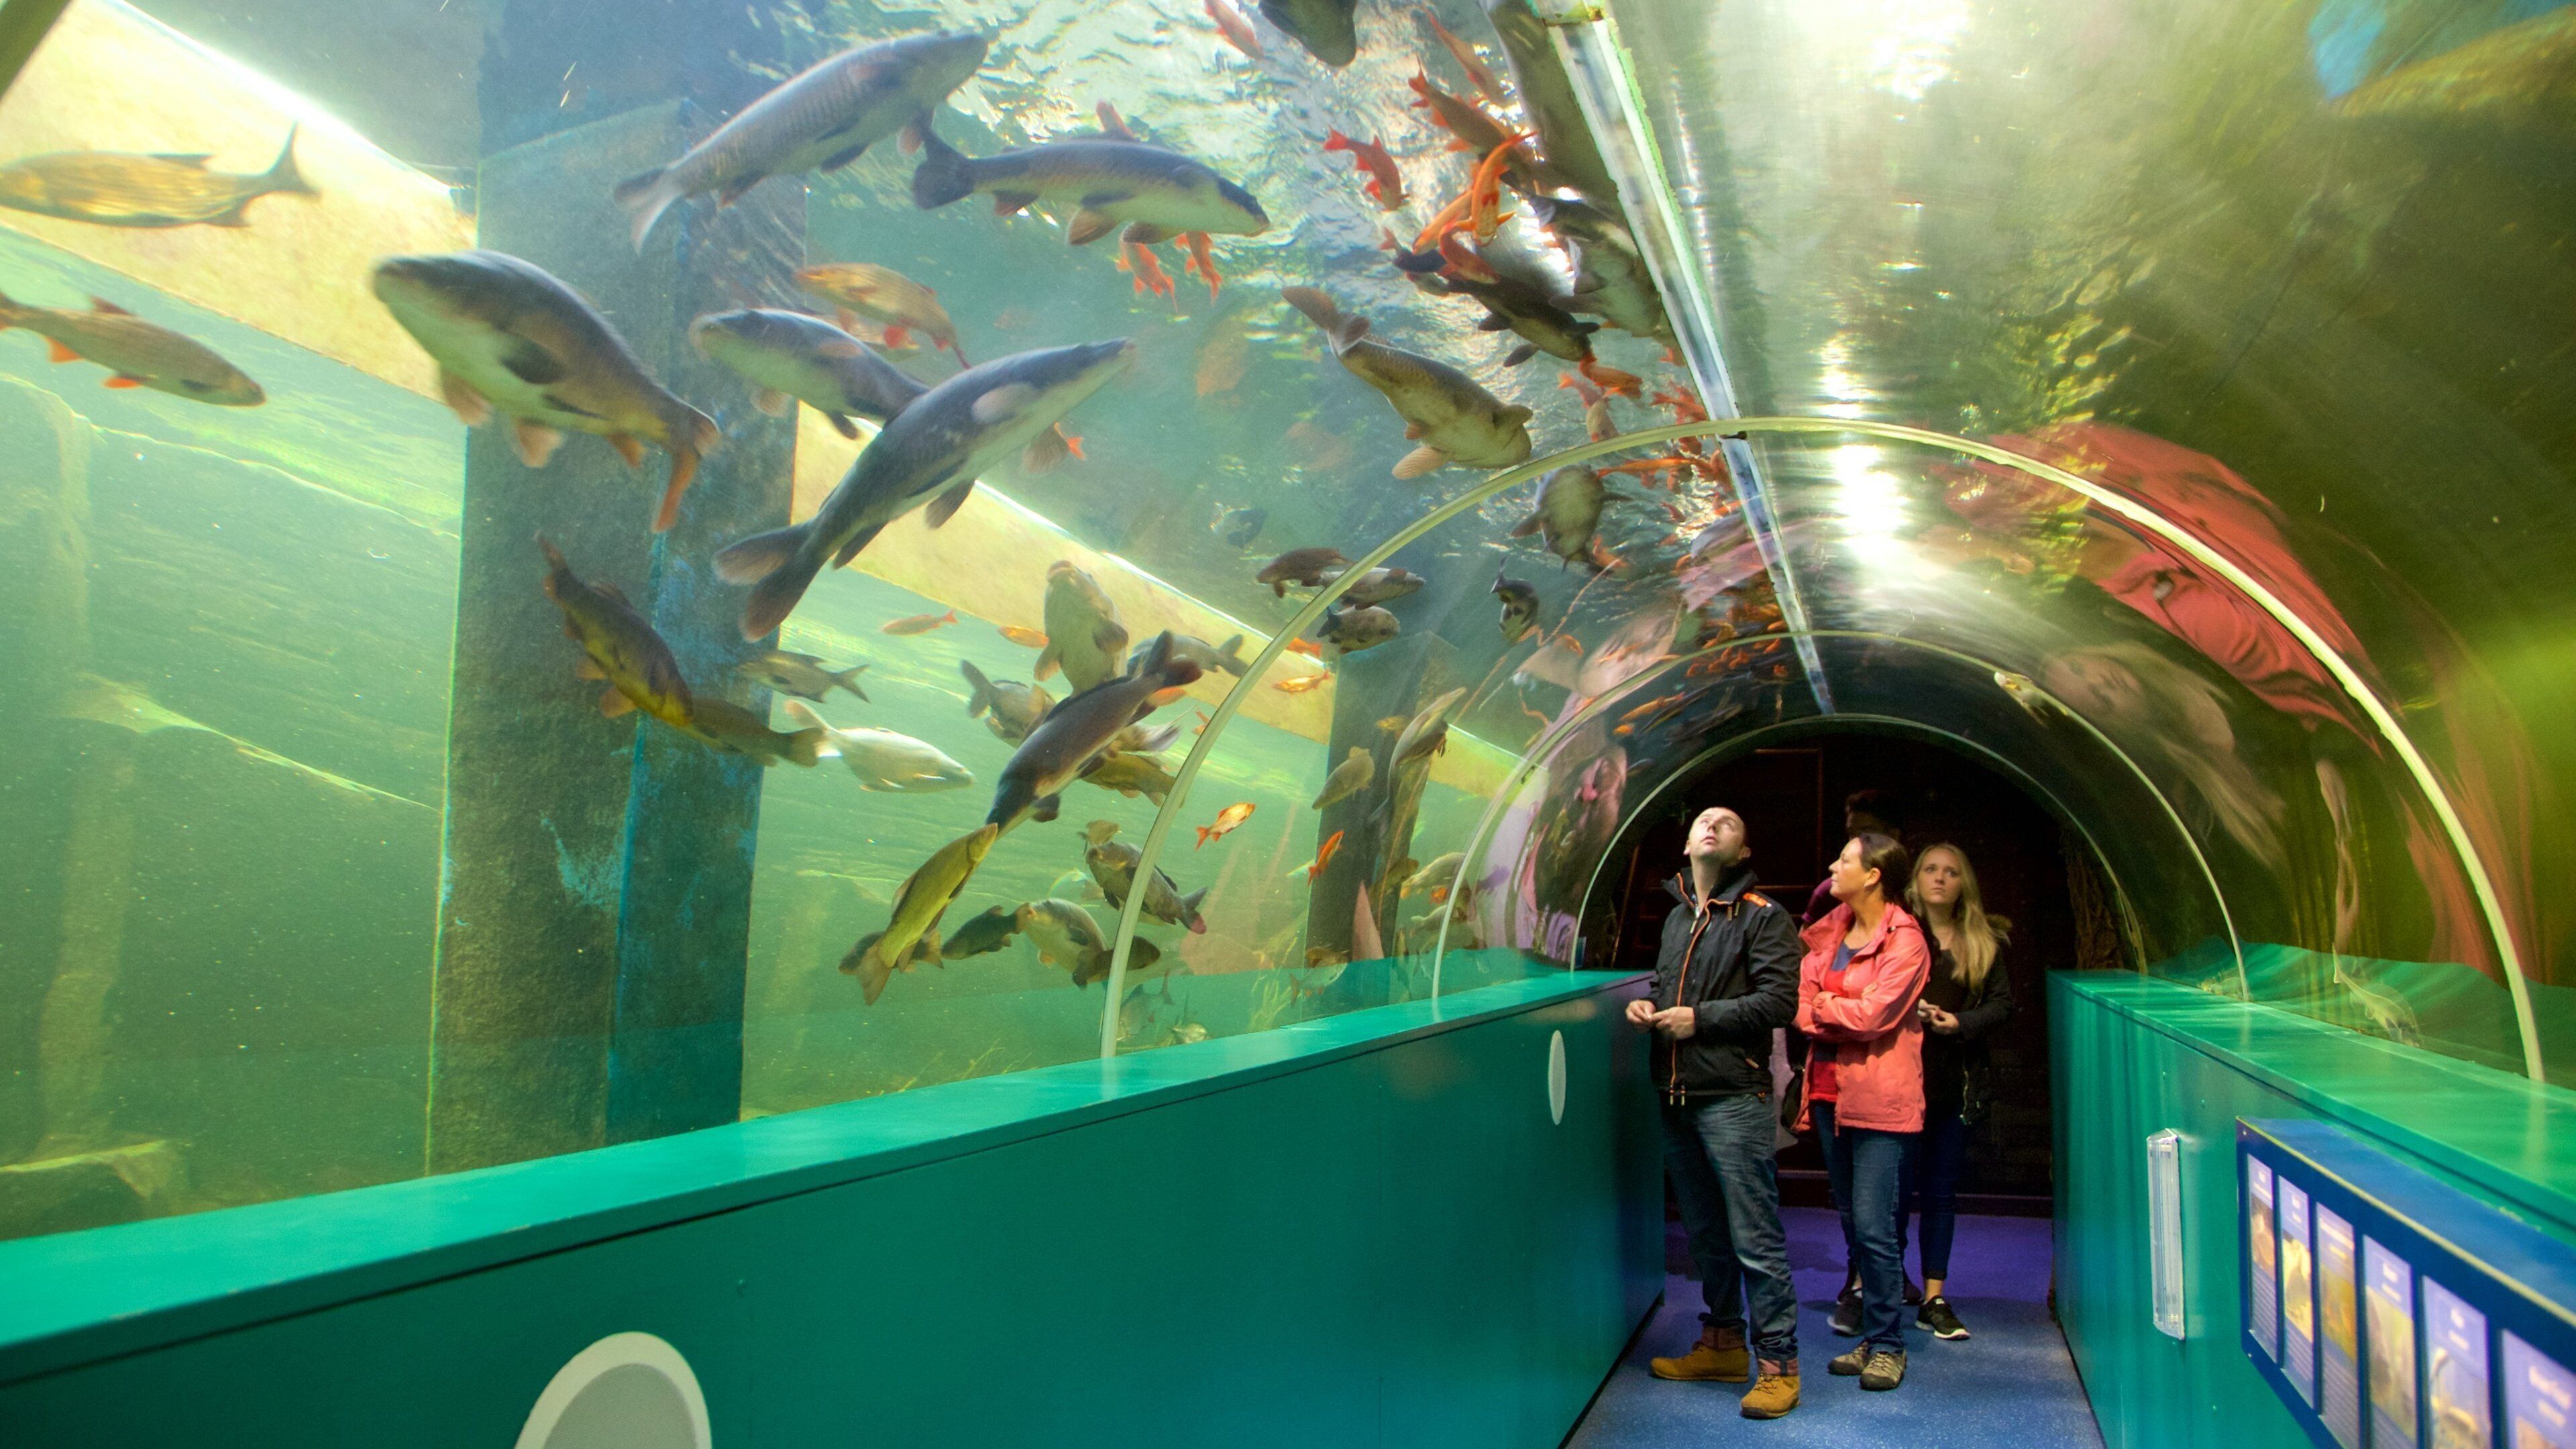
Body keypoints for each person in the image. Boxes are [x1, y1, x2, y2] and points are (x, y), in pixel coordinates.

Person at [1629, 806, 1805, 1419]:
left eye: (1727, 822)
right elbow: (1669, 987)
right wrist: (1649, 1008)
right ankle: (1724, 1344)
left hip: (1734, 1097)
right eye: (1703, 819)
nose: (1711, 825)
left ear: (1741, 849)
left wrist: (1699, 1020)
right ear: (1686, 840)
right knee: (1706, 1236)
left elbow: (1780, 1001)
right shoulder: (1680, 915)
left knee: (1755, 1239)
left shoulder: (1765, 916)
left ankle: (1779, 1365)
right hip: (1678, 1095)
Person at [1794, 833, 1931, 1391]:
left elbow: (1876, 1016)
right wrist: (1830, 1011)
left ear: (1873, 874)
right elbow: (1798, 1011)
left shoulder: (1907, 940)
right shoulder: (1828, 932)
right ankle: (1874, 1337)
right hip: (1829, 1095)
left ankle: (1889, 1345)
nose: (1833, 866)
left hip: (1881, 1101)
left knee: (1876, 1227)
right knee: (1854, 1224)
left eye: (1844, 860)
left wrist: (1827, 1007)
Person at [1902, 843, 2016, 1342]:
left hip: (1954, 1080)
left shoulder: (1981, 940)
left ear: (1963, 882)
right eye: (1931, 869)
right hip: (1901, 1080)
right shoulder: (1899, 930)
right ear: (1917, 878)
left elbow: (2003, 1005)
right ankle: (1880, 1289)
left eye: (1951, 871)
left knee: (1941, 1193)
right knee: (1892, 1195)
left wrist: (1959, 1022)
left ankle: (1934, 1296)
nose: (1941, 879)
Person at [1802, 790, 1904, 925]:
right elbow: (1804, 944)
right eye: (1851, 834)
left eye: (1866, 833)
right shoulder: (1830, 891)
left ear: (1893, 835)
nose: (1856, 841)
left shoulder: (1913, 890)